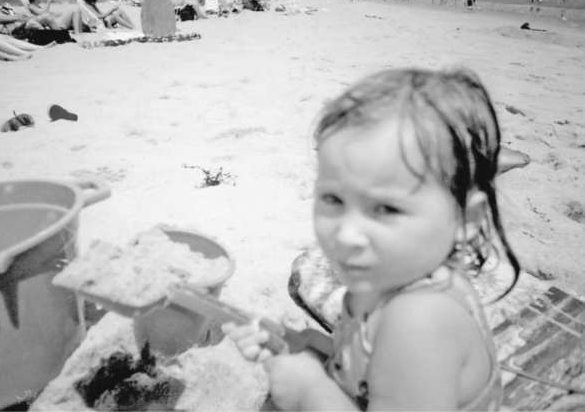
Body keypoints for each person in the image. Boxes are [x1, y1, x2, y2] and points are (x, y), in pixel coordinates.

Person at [223, 67, 521, 411]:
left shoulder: (421, 321)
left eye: (387, 208)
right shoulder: (387, 275)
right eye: (334, 199)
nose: (347, 234)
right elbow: (368, 362)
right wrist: (308, 348)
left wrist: (309, 391)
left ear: (465, 219)